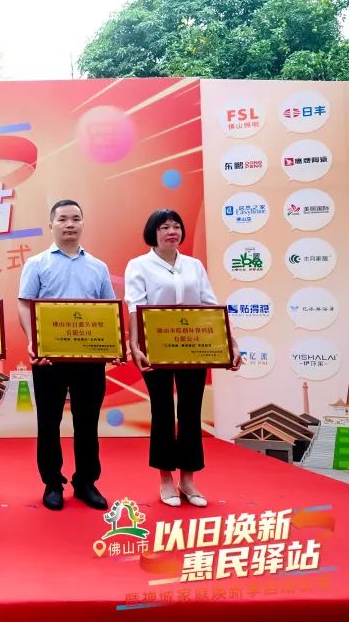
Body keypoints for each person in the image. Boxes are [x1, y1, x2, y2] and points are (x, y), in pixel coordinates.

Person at [124, 209, 241, 508]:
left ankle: (188, 479)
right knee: (162, 411)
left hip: (193, 348)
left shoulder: (193, 265)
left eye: (176, 226)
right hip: (156, 349)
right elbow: (135, 307)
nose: (171, 232)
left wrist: (231, 343)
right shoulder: (139, 265)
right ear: (153, 232)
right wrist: (135, 345)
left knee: (190, 412)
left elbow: (210, 305)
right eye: (164, 227)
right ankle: (165, 479)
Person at [17, 199, 115, 512]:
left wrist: (112, 346)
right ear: (51, 225)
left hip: (89, 359)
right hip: (49, 358)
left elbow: (108, 311)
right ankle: (52, 483)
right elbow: (24, 304)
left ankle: (86, 482)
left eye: (75, 219)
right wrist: (33, 341)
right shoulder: (37, 264)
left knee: (87, 422)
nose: (69, 224)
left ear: (83, 223)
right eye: (62, 219)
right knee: (49, 422)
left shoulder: (98, 266)